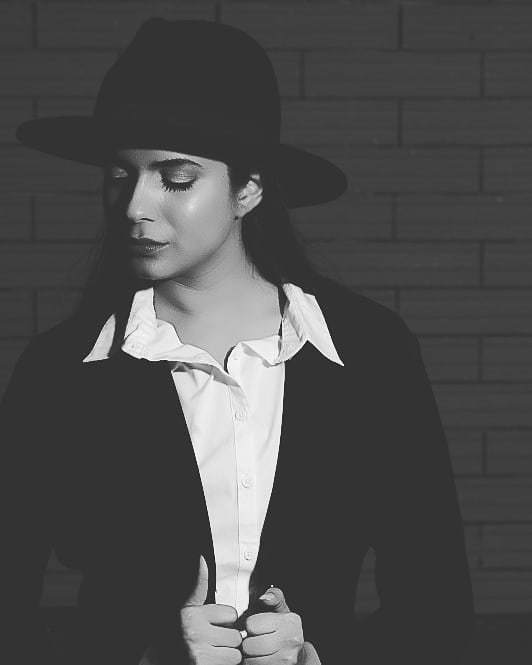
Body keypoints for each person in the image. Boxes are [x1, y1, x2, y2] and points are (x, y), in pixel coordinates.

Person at [2, 17, 475, 665]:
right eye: (119, 175)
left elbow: (437, 605)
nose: (135, 206)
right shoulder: (61, 372)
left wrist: (320, 657)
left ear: (248, 189)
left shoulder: (370, 352)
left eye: (175, 177)